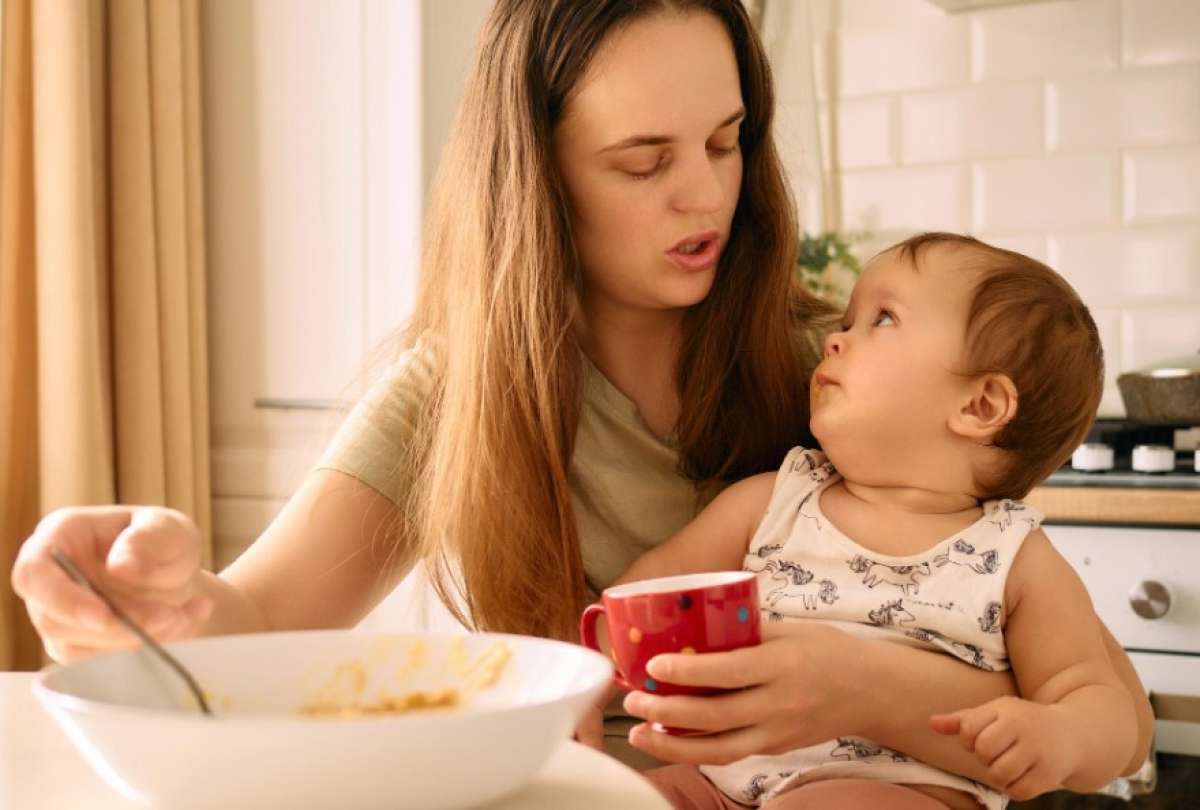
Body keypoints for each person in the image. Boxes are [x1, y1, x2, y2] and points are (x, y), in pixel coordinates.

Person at [9, 0, 1151, 788]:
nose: (705, 196)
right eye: (644, 162)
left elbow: (1101, 722)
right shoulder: (458, 392)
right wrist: (146, 602)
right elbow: (253, 623)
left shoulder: (839, 373)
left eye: (725, 139)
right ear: (539, 174)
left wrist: (856, 685)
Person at [612, 232, 1145, 810]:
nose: (836, 339)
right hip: (717, 782)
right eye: (848, 319)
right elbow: (646, 590)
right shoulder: (771, 503)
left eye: (883, 318)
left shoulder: (1016, 559)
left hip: (894, 793)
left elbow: (1107, 710)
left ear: (980, 406)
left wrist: (1062, 737)